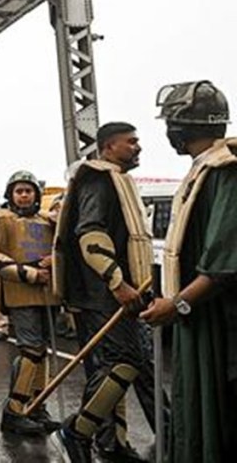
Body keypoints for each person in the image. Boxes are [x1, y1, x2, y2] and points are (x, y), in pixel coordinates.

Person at [52, 123, 164, 463]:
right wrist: (117, 281)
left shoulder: (116, 180)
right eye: (131, 142)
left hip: (115, 293)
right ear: (108, 147)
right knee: (124, 361)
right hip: (105, 294)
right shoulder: (99, 179)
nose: (138, 147)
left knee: (119, 365)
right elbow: (90, 232)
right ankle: (76, 433)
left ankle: (112, 441)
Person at [140, 80, 237, 462]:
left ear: (179, 128)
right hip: (203, 317)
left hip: (223, 324)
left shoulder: (225, 172)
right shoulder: (204, 170)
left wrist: (177, 304)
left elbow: (224, 262)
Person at [0, 170, 61, 436]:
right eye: (19, 191)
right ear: (11, 195)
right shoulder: (2, 222)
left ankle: (37, 407)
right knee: (30, 350)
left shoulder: (48, 222)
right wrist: (28, 274)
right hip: (21, 293)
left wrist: (54, 260)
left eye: (29, 190)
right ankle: (14, 411)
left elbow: (61, 249)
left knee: (42, 352)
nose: (25, 195)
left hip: (47, 294)